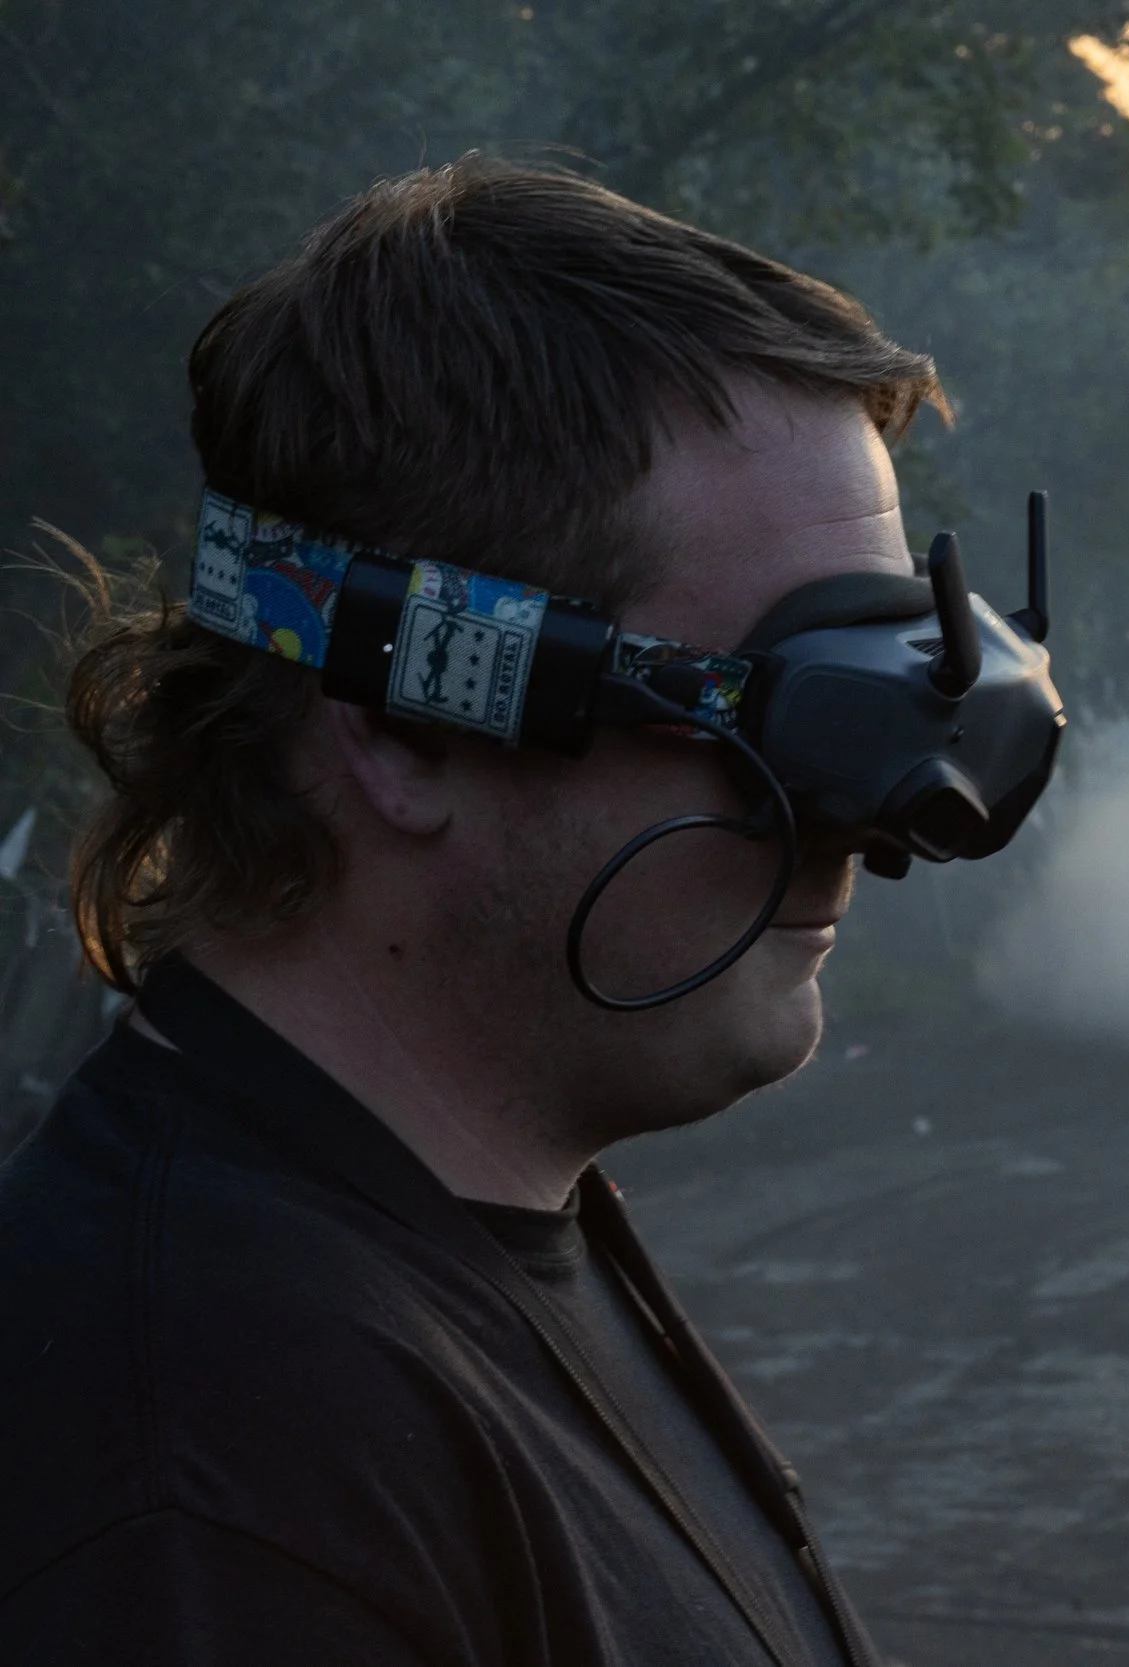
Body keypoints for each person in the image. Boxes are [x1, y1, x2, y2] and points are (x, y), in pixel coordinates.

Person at [0, 162, 950, 1663]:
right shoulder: (211, 1473)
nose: (878, 812)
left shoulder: (462, 1243)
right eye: (801, 709)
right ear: (410, 724)